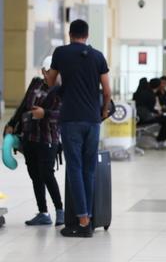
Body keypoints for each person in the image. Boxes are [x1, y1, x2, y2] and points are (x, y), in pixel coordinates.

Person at [46, 19, 111, 238]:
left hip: (71, 119)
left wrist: (46, 75)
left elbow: (51, 83)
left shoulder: (61, 53)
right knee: (89, 169)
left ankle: (83, 220)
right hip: (93, 120)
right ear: (87, 34)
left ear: (70, 33)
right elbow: (107, 89)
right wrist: (103, 111)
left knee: (74, 168)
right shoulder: (97, 56)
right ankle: (89, 220)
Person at [4, 56, 64, 226]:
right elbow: (24, 106)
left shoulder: (62, 90)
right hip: (30, 137)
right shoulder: (35, 84)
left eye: (54, 72)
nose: (50, 75)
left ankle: (60, 210)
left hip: (48, 138)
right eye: (48, 71)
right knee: (35, 175)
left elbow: (62, 115)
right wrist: (12, 124)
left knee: (47, 173)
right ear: (44, 71)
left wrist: (44, 113)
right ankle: (43, 213)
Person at [133, 78, 166, 144]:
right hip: (144, 118)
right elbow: (150, 109)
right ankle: (161, 139)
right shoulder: (151, 95)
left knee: (163, 118)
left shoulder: (136, 94)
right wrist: (158, 113)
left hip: (137, 118)